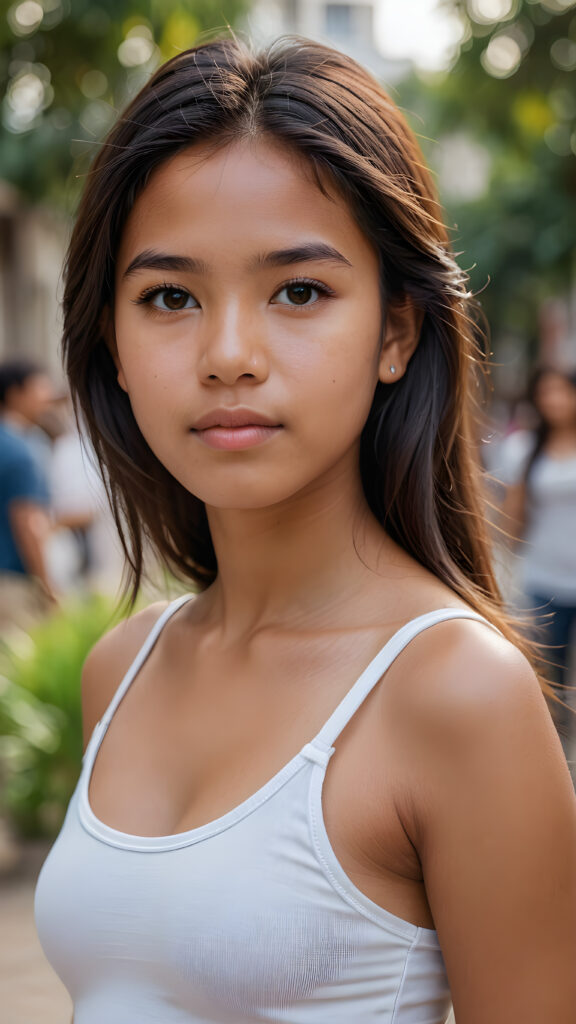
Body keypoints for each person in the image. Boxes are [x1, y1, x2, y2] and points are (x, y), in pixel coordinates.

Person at [33, 37, 576, 1024]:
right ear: (110, 342)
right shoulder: (123, 666)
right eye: (169, 297)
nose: (229, 354)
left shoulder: (457, 694)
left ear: (397, 332)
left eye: (298, 291)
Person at [500, 367, 576, 752]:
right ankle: (556, 756)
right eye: (547, 393)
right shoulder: (523, 448)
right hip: (542, 579)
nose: (555, 401)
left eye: (562, 392)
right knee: (548, 678)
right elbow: (511, 518)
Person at [0, 357, 58, 631]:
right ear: (15, 394)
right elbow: (27, 522)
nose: (48, 397)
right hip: (13, 583)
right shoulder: (22, 451)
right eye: (40, 388)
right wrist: (48, 586)